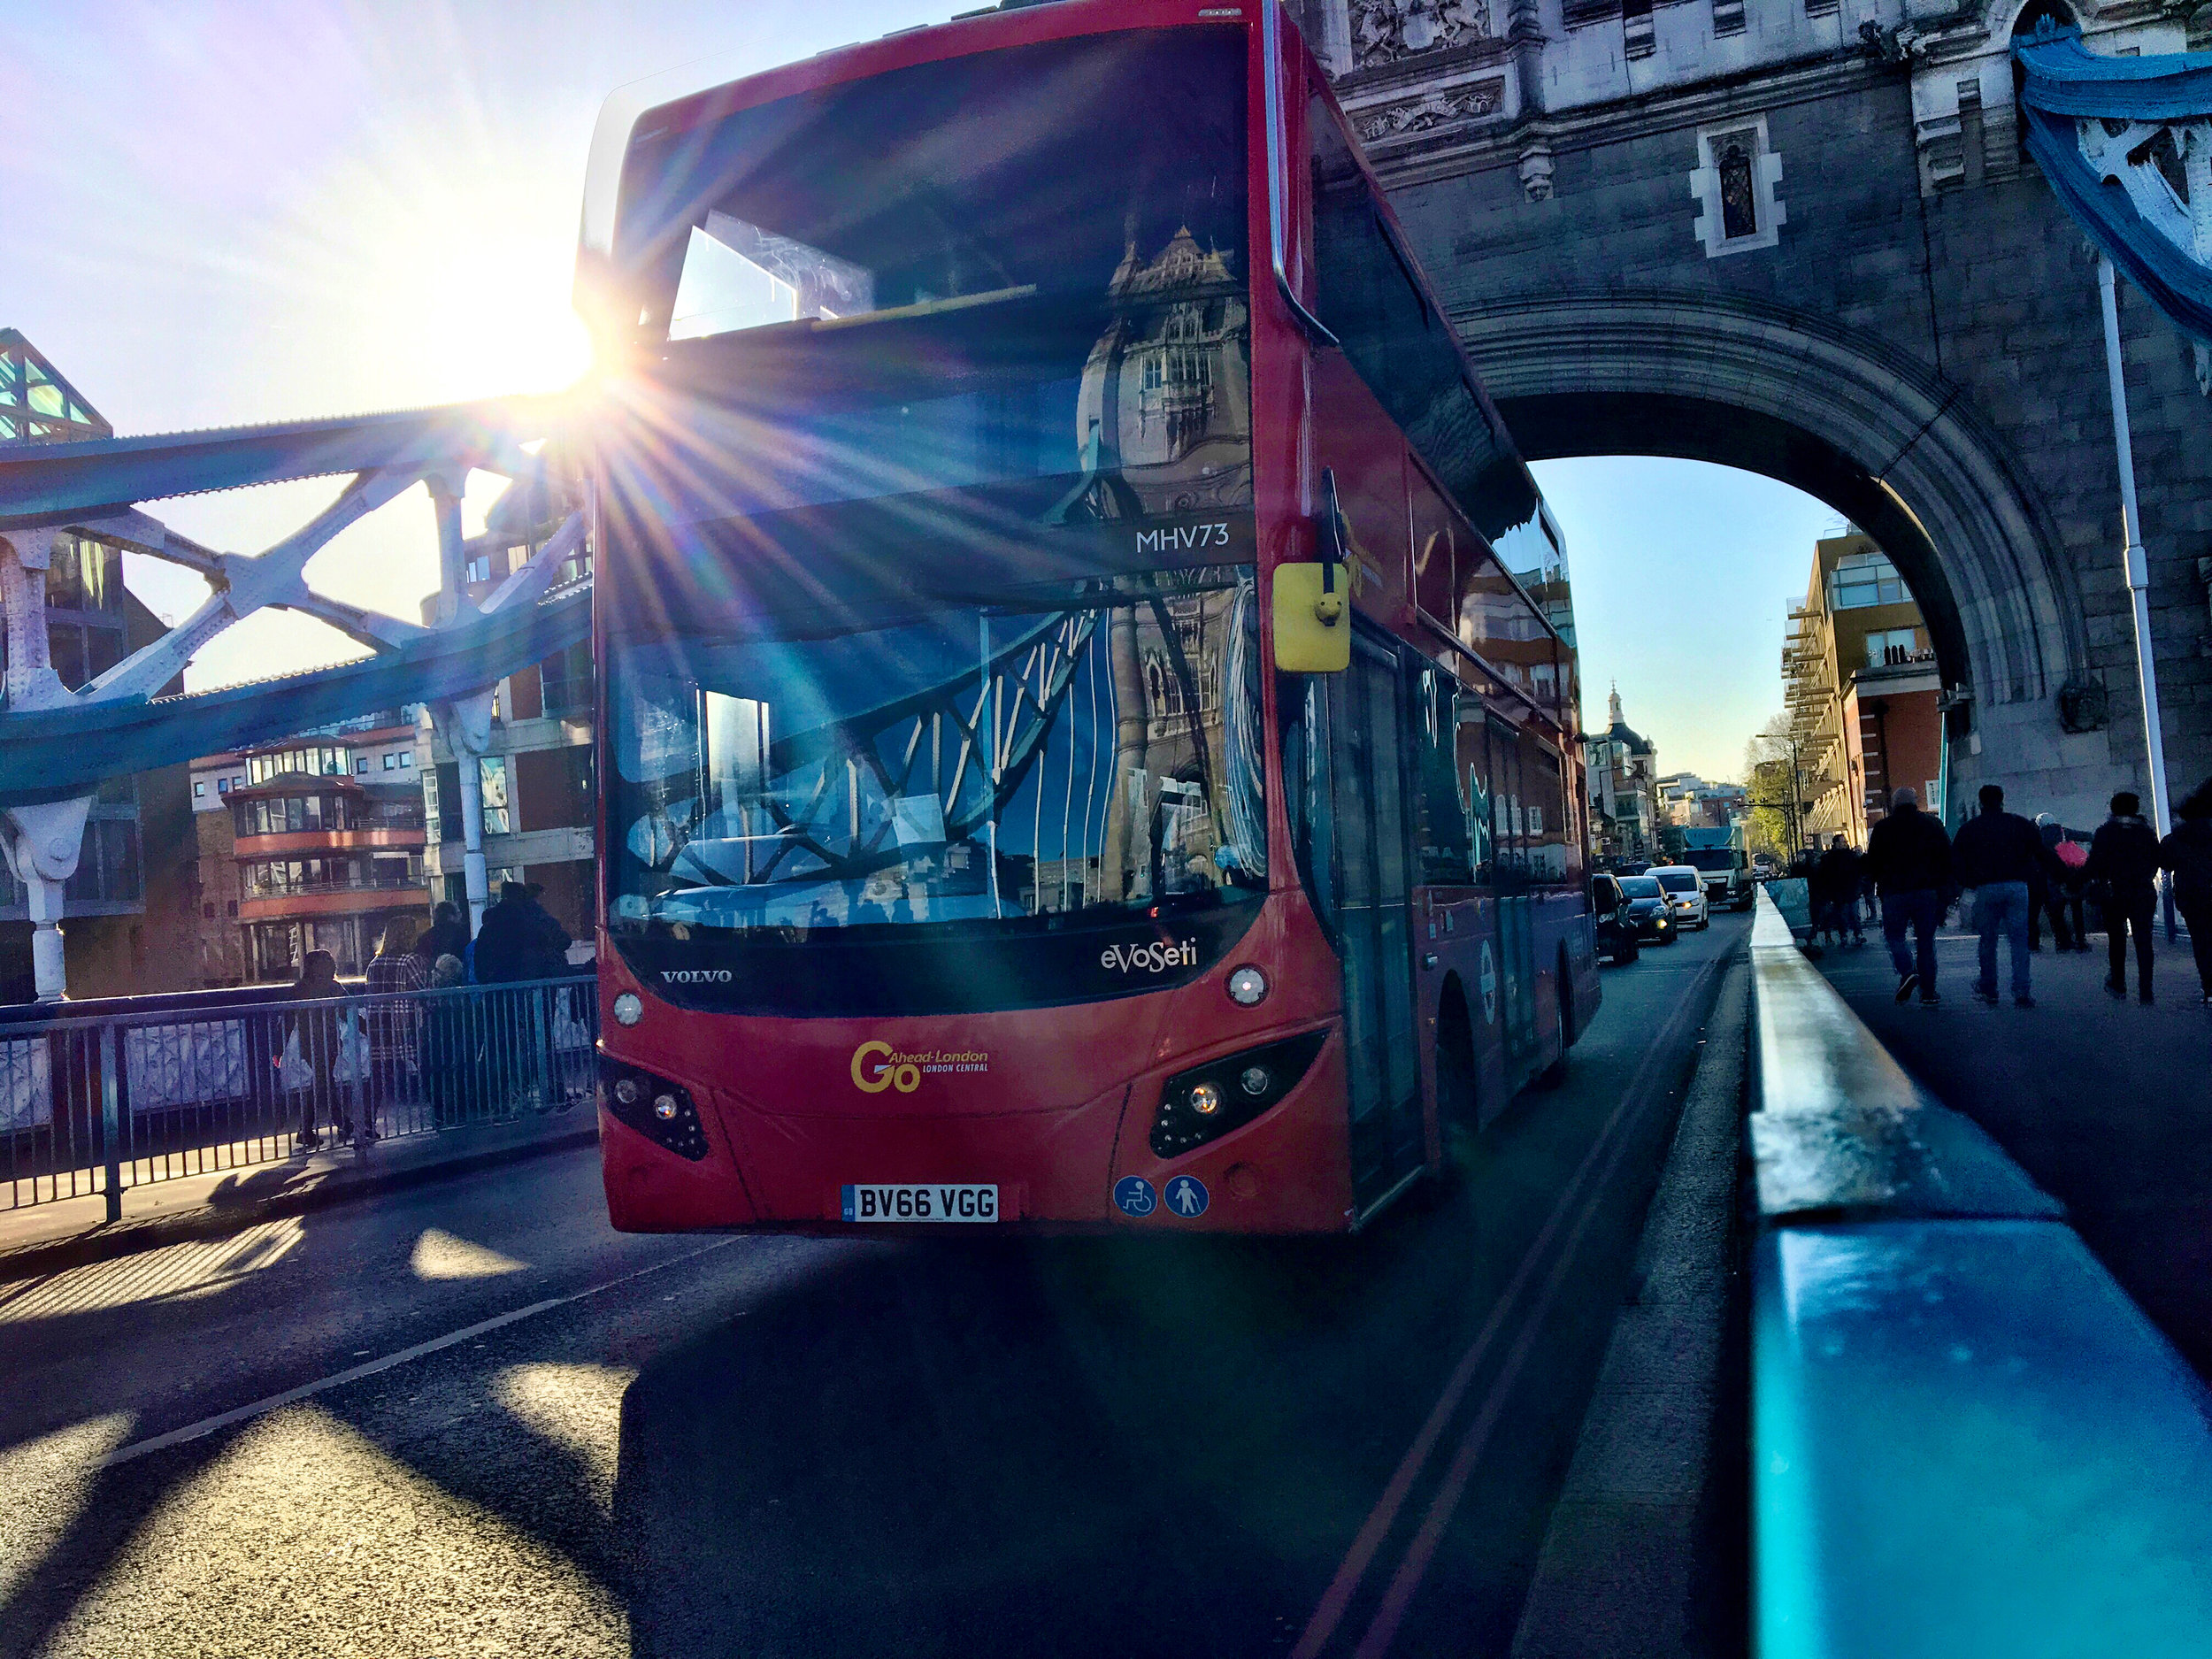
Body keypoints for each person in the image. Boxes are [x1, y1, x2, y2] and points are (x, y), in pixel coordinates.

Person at [1948, 783, 2056, 1008]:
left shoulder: (1971, 828)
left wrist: (1969, 883)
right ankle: (2021, 991)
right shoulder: (2019, 824)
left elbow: (1955, 861)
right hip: (2017, 886)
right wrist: (2067, 877)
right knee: (2019, 940)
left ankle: (1989, 987)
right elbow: (2043, 853)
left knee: (1988, 940)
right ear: (2002, 800)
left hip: (1986, 888)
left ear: (1980, 803)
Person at [1865, 786, 1952, 1004]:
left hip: (1894, 892)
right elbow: (1946, 858)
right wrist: (1946, 891)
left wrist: (1876, 886)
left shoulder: (1883, 828)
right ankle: (1929, 992)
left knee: (1894, 936)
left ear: (1894, 804)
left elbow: (1872, 862)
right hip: (1926, 891)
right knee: (1925, 942)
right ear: (1915, 802)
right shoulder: (1932, 825)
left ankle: (1907, 971)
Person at [2084, 790, 2162, 1003]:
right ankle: (2146, 990)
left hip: (2114, 892)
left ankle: (2119, 983)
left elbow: (2094, 863)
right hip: (2142, 891)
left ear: (2113, 809)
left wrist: (2075, 882)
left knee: (2117, 940)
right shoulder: (2146, 832)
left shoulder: (2105, 832)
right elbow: (2157, 859)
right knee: (2143, 940)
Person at [362, 916, 427, 1141]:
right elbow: (423, 990)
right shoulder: (410, 960)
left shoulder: (374, 963)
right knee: (427, 1067)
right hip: (404, 1024)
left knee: (378, 1078)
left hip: (379, 1025)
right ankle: (447, 1113)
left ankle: (367, 1125)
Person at [287, 950, 349, 1149]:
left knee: (321, 1081)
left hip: (308, 1043)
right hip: (329, 1041)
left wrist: (278, 1048)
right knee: (324, 1082)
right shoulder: (334, 988)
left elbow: (288, 1020)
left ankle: (309, 1130)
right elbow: (348, 1013)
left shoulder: (299, 989)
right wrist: (370, 1029)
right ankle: (339, 1124)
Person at [2159, 780, 2212, 1007]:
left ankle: (2209, 989)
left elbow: (2165, 863)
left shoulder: (2175, 838)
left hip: (2191, 897)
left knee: (2202, 943)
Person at [472, 880, 572, 984]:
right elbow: (563, 940)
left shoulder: (490, 926)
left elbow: (480, 963)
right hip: (535, 982)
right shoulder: (534, 921)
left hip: (498, 987)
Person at [2030, 814, 2083, 951]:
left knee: (2036, 913)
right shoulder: (2063, 831)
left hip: (2039, 878)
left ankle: (2033, 943)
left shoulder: (2035, 836)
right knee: (2061, 912)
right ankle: (2066, 941)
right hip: (2061, 875)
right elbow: (2085, 836)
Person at [1815, 840, 1866, 946]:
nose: (1845, 843)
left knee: (1853, 914)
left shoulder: (1849, 855)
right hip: (1841, 892)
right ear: (1837, 843)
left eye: (1845, 841)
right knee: (1844, 915)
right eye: (1842, 841)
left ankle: (1856, 934)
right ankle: (1845, 934)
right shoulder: (1831, 858)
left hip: (1850, 890)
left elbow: (1860, 869)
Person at [416, 900, 469, 971]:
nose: (461, 916)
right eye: (458, 913)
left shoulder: (426, 936)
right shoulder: (461, 933)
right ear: (450, 916)